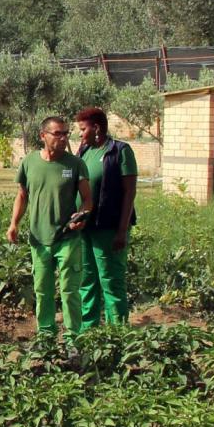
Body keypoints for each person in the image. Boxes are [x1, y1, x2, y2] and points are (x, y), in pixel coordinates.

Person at [6, 116, 93, 346]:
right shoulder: (29, 162)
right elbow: (22, 196)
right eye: (57, 133)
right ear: (43, 135)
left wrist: (81, 216)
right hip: (39, 239)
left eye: (66, 133)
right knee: (42, 291)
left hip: (68, 238)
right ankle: (46, 338)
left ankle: (74, 340)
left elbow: (87, 199)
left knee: (70, 291)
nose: (63, 138)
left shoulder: (75, 164)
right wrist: (14, 224)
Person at [75, 106, 139, 331]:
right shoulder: (84, 151)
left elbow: (129, 192)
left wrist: (122, 230)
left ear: (96, 128)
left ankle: (117, 333)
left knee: (111, 281)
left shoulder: (120, 151)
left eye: (83, 129)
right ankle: (88, 330)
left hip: (109, 228)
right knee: (87, 280)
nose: (80, 134)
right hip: (85, 227)